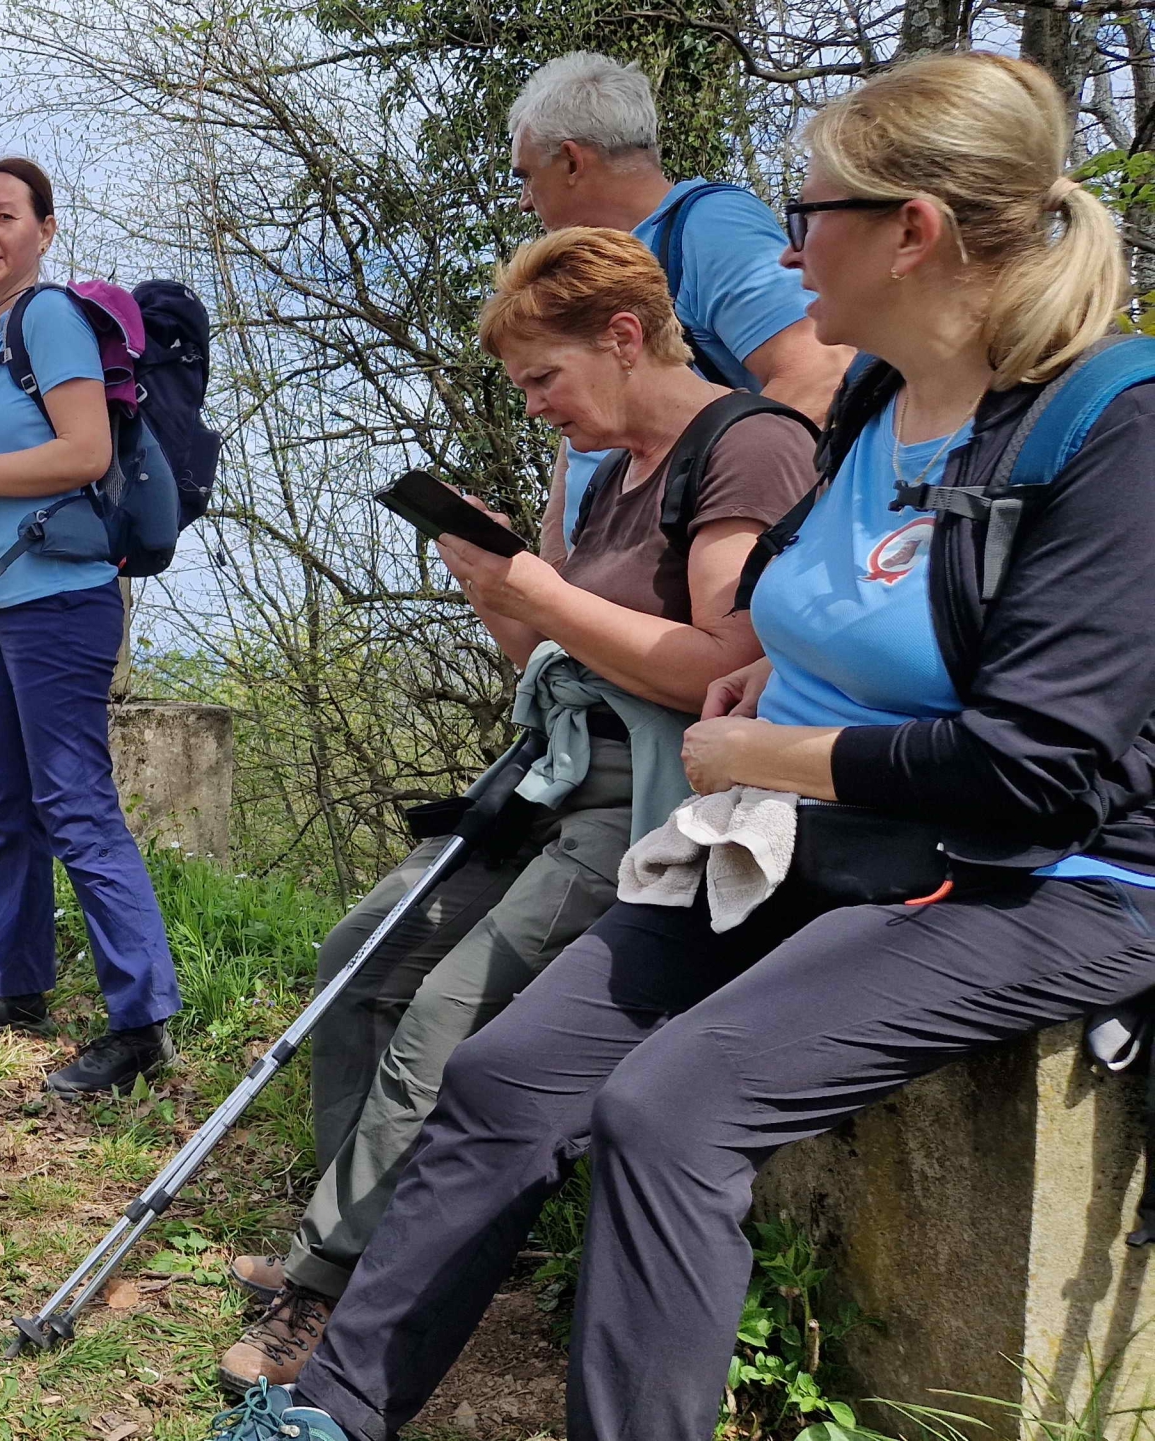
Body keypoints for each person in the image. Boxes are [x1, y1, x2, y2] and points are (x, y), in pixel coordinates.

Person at [266, 53, 1155, 1441]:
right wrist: (766, 666)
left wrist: (772, 757)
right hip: (815, 837)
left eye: (809, 214)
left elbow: (1039, 765)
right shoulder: (875, 399)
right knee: (506, 1073)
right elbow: (819, 586)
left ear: (911, 231)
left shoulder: (1110, 425)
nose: (787, 250)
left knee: (668, 1109)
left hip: (1034, 873)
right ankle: (332, 1412)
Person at [215, 226, 818, 1392]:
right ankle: (376, 1236)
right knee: (361, 960)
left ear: (625, 336)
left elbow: (721, 669)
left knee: (446, 1016)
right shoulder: (612, 469)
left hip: (647, 798)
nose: (535, 405)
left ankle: (334, 1293)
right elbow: (558, 656)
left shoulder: (744, 448)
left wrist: (537, 588)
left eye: (544, 377)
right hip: (549, 774)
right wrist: (500, 593)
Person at [0, 157, 180, 1096]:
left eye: (5, 216)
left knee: (74, 803)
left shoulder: (48, 316)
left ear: (44, 230)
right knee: (9, 802)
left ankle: (141, 1024)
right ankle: (14, 985)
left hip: (59, 601)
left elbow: (84, 450)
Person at [509, 50, 853, 562]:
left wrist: (683, 526)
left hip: (694, 575)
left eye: (526, 176)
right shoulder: (587, 266)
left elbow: (820, 371)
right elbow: (582, 453)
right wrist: (561, 568)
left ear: (573, 161)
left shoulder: (710, 225)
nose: (524, 200)